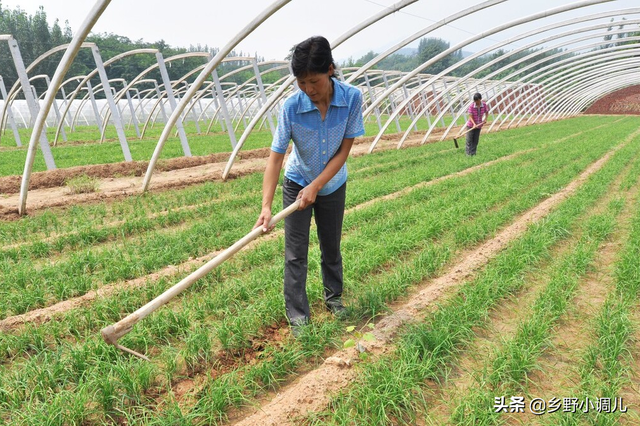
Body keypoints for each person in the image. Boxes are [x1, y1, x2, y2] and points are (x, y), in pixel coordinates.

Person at [254, 36, 365, 335]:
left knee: (331, 246)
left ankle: (334, 299)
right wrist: (266, 206)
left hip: (332, 185)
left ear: (330, 69)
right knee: (295, 253)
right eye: (301, 82)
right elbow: (275, 159)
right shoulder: (291, 107)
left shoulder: (352, 98)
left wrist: (317, 185)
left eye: (313, 80)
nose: (308, 89)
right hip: (297, 180)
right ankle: (298, 316)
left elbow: (343, 151)